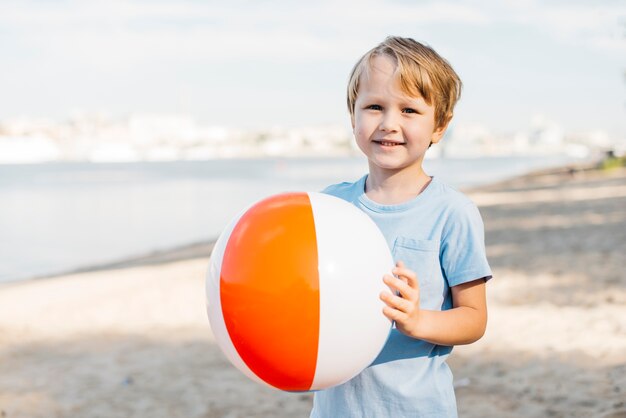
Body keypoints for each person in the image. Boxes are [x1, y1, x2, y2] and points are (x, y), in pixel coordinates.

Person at [311, 36, 493, 417]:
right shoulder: (329, 206)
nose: (389, 123)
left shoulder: (452, 212)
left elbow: (474, 319)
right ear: (353, 116)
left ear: (439, 126)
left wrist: (417, 319)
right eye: (374, 106)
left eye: (409, 110)